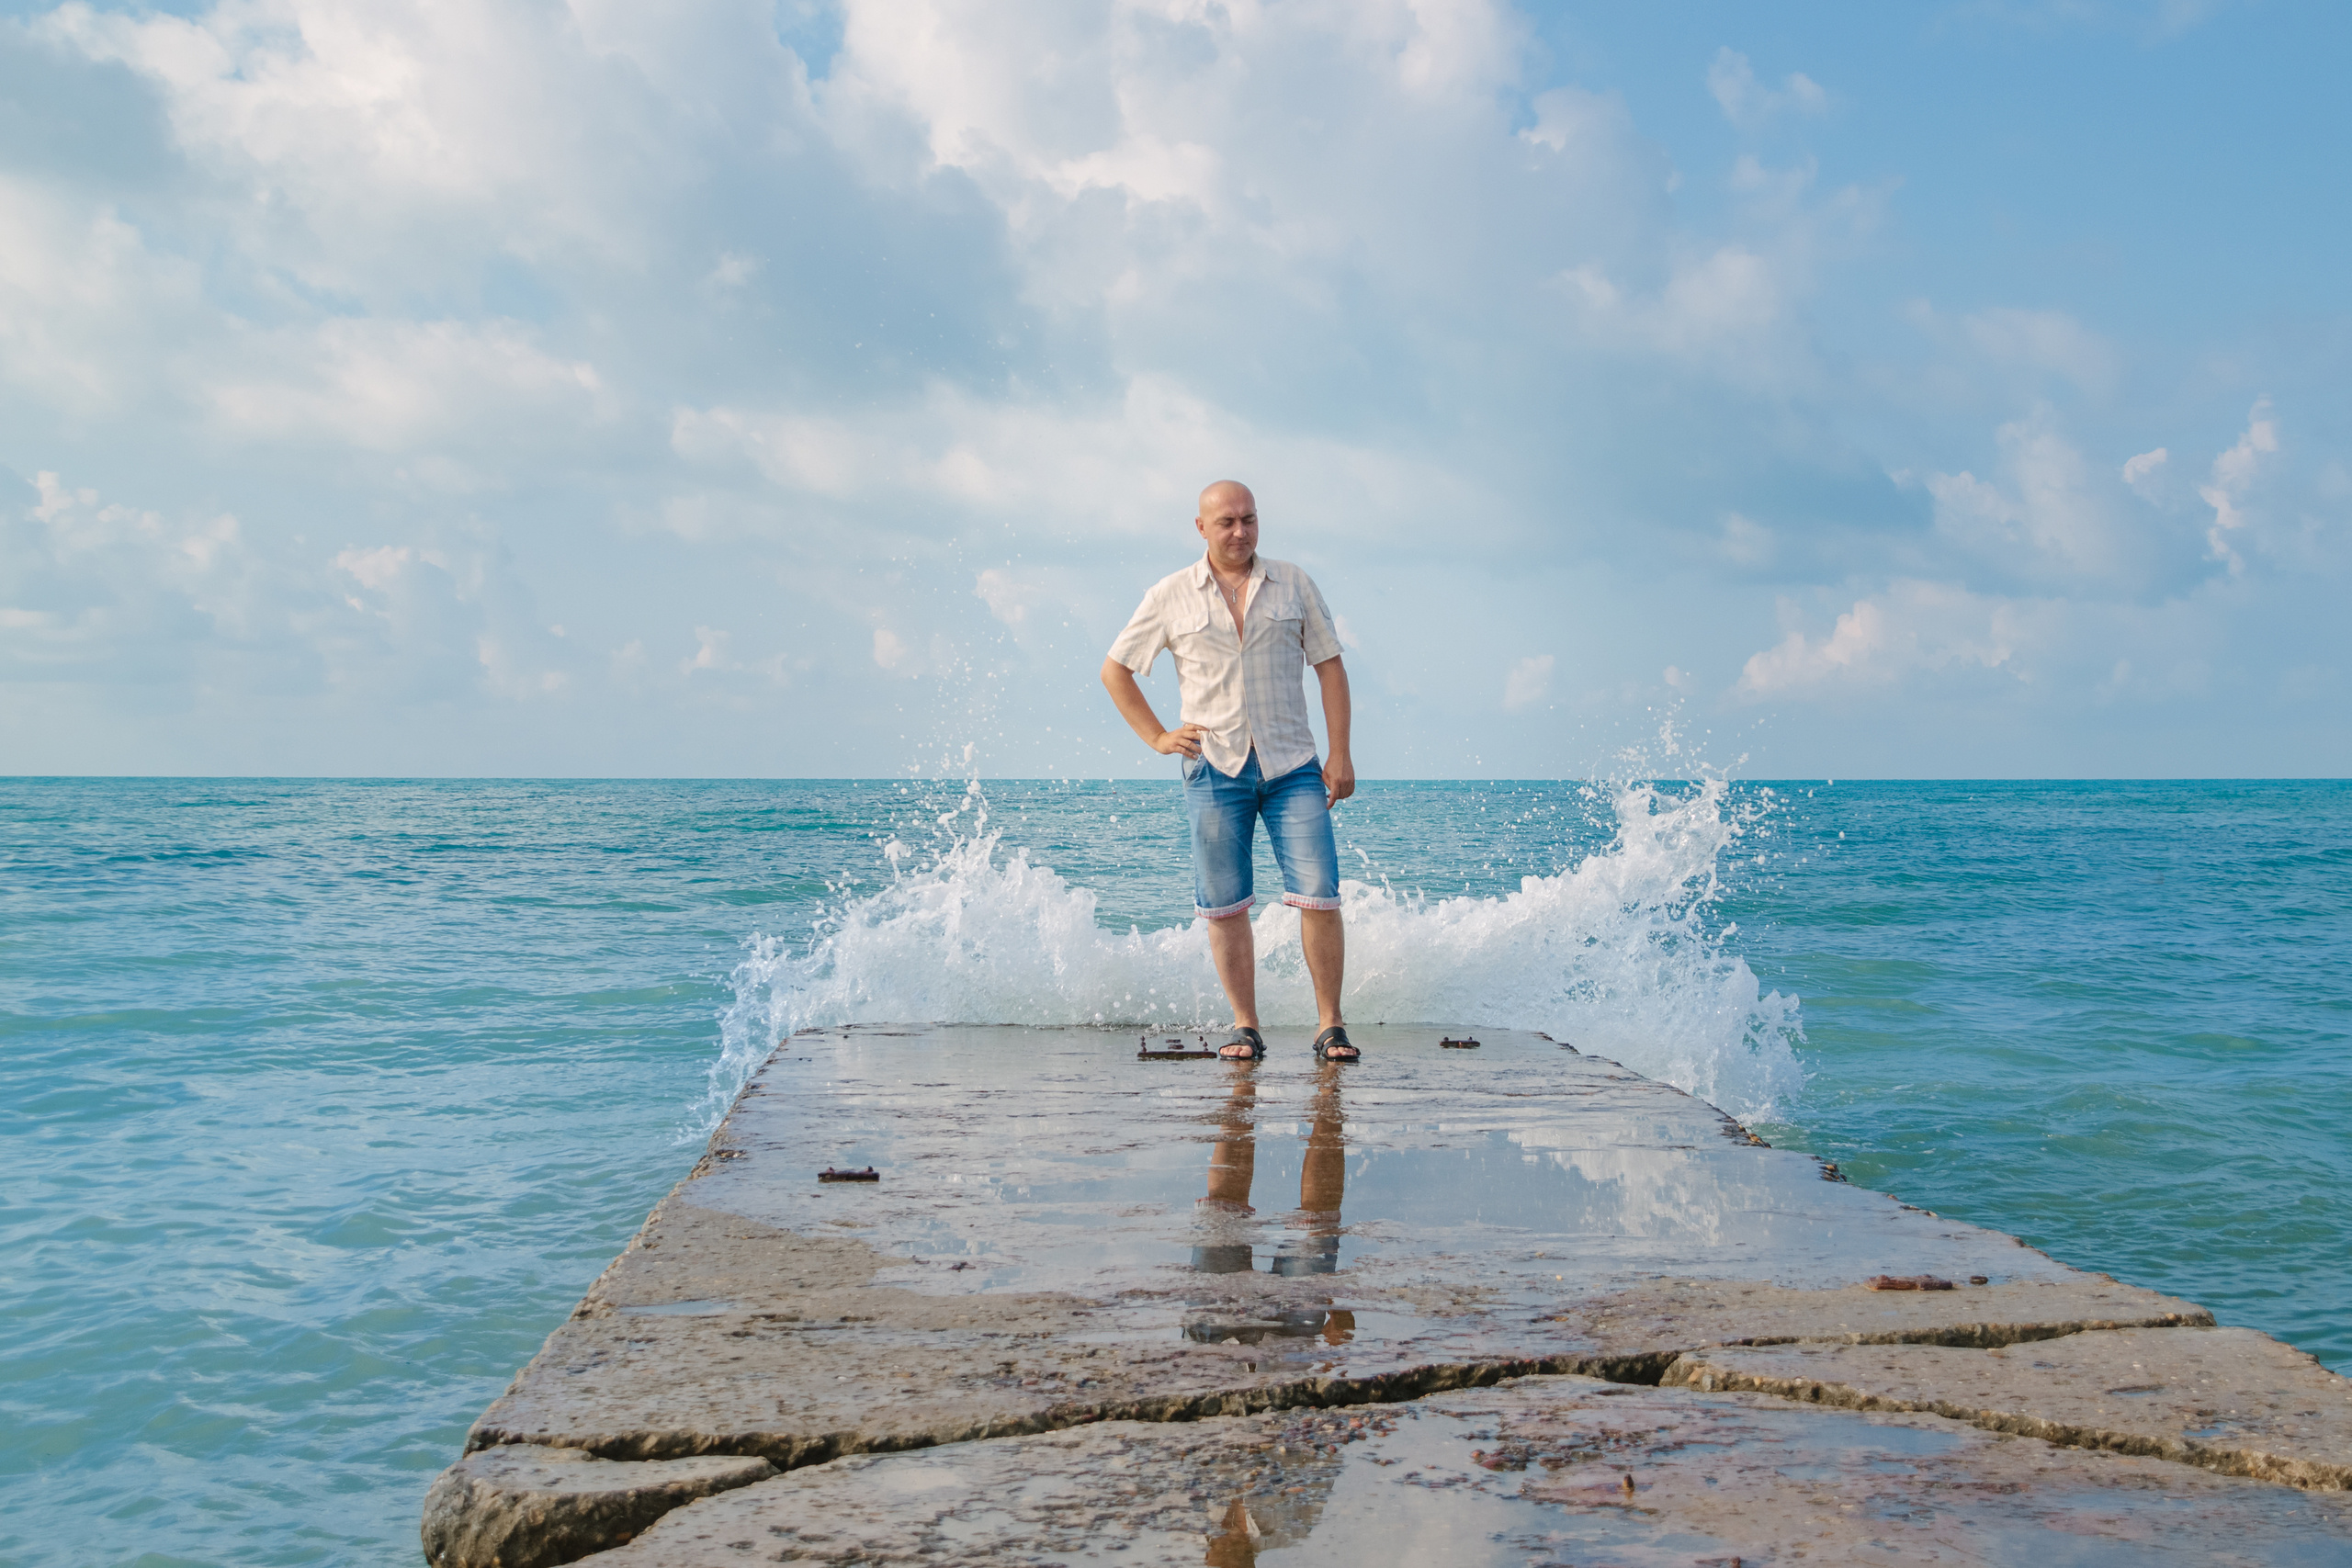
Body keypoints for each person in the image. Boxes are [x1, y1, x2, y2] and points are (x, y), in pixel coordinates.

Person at [1100, 479, 1357, 1063]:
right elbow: (1116, 670)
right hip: (1213, 767)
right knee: (1226, 902)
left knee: (1319, 893)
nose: (1240, 531)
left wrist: (1340, 753)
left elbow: (1330, 668)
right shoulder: (1169, 595)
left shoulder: (1293, 582)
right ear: (1201, 528)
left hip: (1294, 765)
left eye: (1249, 519)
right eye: (1227, 522)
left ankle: (1331, 1026)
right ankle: (1246, 1025)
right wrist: (1160, 737)